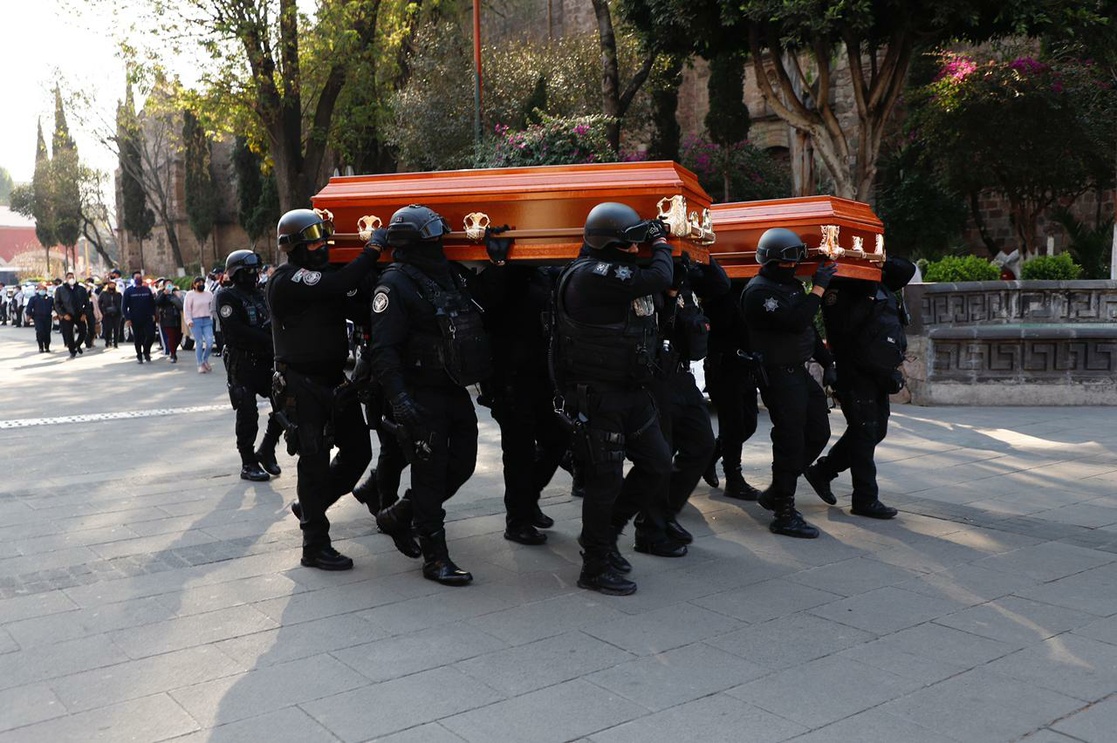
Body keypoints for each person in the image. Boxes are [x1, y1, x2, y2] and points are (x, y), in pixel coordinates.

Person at [552, 202, 676, 596]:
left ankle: (605, 535)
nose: (636, 248)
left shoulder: (616, 272)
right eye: (630, 242)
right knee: (604, 482)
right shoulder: (591, 274)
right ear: (609, 244)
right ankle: (594, 566)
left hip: (632, 391)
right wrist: (661, 242)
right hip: (599, 396)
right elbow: (660, 275)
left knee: (657, 463)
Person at [366, 205, 492, 586]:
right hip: (420, 392)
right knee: (429, 473)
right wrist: (400, 400)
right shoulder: (393, 285)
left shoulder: (446, 273)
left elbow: (478, 303)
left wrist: (497, 262)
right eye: (433, 239)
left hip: (452, 386)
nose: (440, 244)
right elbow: (384, 350)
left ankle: (400, 514)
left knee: (463, 463)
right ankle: (435, 558)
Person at [267, 208, 381, 571]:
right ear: (294, 246)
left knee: (359, 451)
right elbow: (336, 283)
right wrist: (372, 250)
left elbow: (356, 306)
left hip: (335, 381)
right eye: (315, 242)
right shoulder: (288, 280)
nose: (324, 247)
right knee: (313, 463)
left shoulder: (323, 280)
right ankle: (314, 544)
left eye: (325, 239)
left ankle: (311, 507)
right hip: (301, 385)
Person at [622, 254, 728, 548]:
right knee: (661, 453)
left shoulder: (683, 273)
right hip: (652, 374)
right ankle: (650, 529)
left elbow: (720, 285)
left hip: (679, 371)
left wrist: (699, 252)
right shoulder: (647, 271)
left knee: (702, 444)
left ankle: (664, 514)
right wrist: (662, 260)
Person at [741, 228, 837, 539]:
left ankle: (776, 492)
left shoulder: (792, 285)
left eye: (796, 261)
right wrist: (818, 288)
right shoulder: (759, 292)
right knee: (790, 440)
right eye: (788, 262)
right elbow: (795, 322)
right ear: (771, 261)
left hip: (798, 371)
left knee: (819, 432)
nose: (794, 267)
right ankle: (783, 510)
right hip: (778, 375)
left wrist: (827, 362)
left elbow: (807, 328)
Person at [805, 256, 917, 519]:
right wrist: (866, 291)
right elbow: (844, 330)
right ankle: (865, 499)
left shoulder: (882, 291)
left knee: (875, 431)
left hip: (878, 373)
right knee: (864, 433)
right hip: (855, 374)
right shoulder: (845, 289)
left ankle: (823, 471)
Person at [471, 237, 564, 546]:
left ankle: (527, 501)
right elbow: (485, 304)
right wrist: (500, 264)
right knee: (519, 451)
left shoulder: (539, 272)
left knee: (556, 439)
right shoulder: (501, 275)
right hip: (508, 378)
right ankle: (517, 520)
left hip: (539, 376)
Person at [217, 251, 284, 482]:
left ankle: (267, 448)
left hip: (266, 360)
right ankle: (248, 462)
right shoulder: (227, 296)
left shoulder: (261, 293)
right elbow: (236, 329)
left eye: (256, 271)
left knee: (284, 405)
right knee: (247, 413)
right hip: (242, 362)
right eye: (250, 271)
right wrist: (268, 337)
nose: (255, 275)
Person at [702, 280, 764, 500]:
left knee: (748, 424)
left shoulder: (749, 290)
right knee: (733, 426)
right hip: (725, 368)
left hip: (744, 369)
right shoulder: (720, 294)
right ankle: (733, 479)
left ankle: (709, 458)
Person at [122, 270, 157, 364]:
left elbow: (152, 303)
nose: (138, 279)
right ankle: (139, 355)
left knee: (151, 335)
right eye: (136, 278)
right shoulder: (129, 291)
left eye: (140, 277)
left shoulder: (146, 290)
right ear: (133, 279)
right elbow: (124, 307)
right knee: (138, 338)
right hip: (135, 318)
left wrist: (153, 314)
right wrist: (128, 318)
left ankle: (146, 351)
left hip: (147, 317)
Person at [184, 276, 216, 373]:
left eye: (202, 283)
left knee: (209, 342)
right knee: (199, 342)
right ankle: (200, 364)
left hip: (207, 320)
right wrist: (189, 320)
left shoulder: (209, 294)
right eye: (199, 283)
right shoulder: (190, 294)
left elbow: (212, 307)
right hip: (195, 321)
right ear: (194, 285)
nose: (201, 284)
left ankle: (205, 359)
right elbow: (187, 309)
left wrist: (212, 317)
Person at [54, 272, 89, 358]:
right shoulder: (60, 290)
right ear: (66, 279)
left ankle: (77, 344)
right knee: (69, 333)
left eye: (72, 277)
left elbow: (87, 303)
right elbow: (57, 304)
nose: (71, 279)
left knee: (83, 331)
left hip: (79, 313)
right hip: (67, 314)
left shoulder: (81, 289)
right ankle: (72, 350)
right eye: (69, 277)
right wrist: (63, 314)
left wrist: (84, 313)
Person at [155, 282, 184, 363]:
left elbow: (182, 305)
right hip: (167, 318)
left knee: (178, 337)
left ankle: (173, 350)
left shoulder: (176, 292)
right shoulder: (161, 293)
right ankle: (173, 354)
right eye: (167, 284)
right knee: (171, 337)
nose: (169, 286)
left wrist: (178, 296)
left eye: (170, 284)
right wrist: (164, 294)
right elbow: (157, 302)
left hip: (178, 318)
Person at [25, 284, 54, 352]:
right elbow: (29, 307)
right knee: (40, 331)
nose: (42, 290)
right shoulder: (34, 298)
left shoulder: (50, 298)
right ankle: (41, 347)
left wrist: (56, 315)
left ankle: (47, 346)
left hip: (47, 317)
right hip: (38, 318)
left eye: (43, 289)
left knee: (47, 332)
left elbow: (55, 307)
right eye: (40, 289)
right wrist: (28, 315)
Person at [98, 280, 123, 348]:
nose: (112, 285)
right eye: (110, 284)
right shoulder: (103, 293)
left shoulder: (118, 294)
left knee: (116, 328)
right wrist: (103, 311)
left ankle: (115, 343)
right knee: (108, 328)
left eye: (113, 284)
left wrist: (120, 311)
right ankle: (108, 341)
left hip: (117, 313)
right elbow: (99, 302)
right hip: (107, 314)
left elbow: (121, 303)